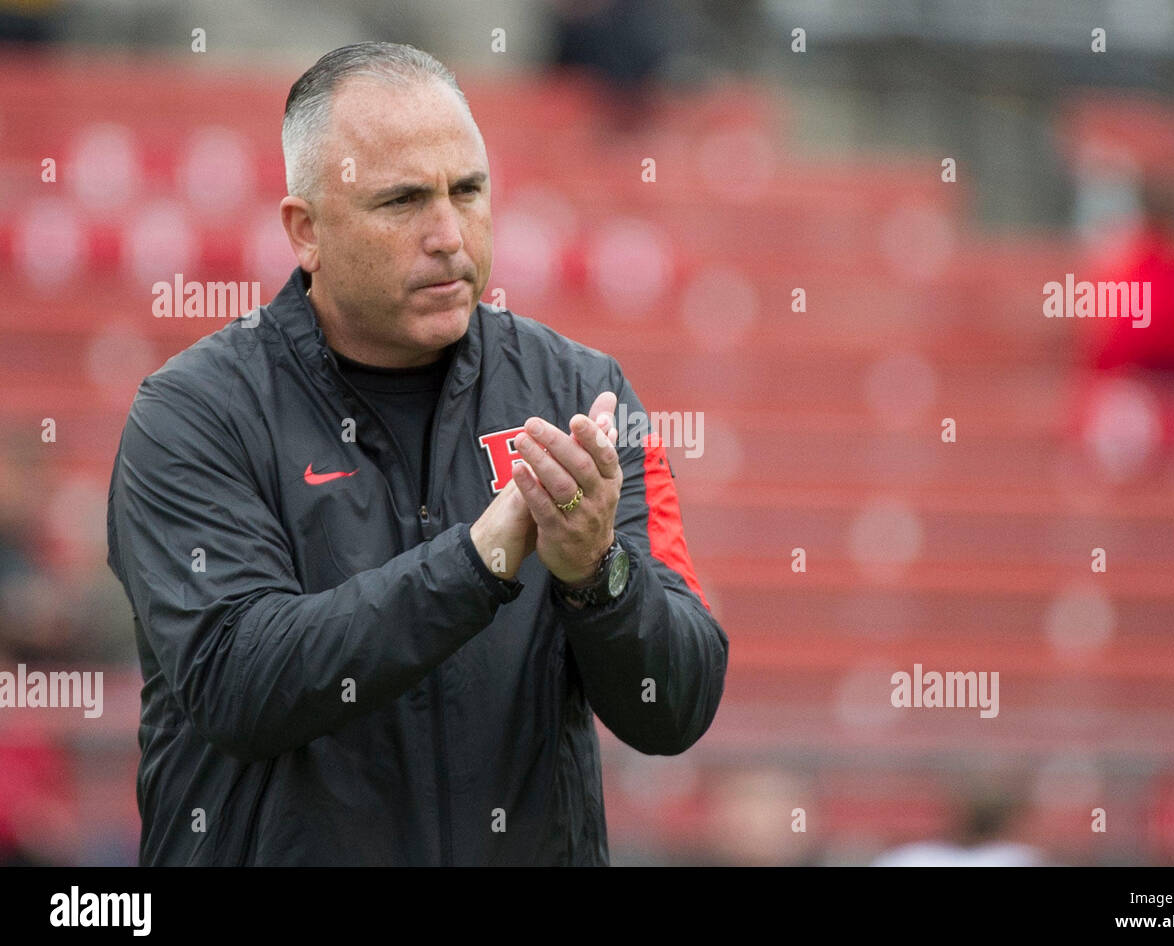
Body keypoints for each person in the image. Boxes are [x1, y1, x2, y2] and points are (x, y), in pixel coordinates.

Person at [105, 41, 728, 865]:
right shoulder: (192, 414)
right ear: (306, 231)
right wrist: (479, 561)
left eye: (468, 190)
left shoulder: (582, 391)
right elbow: (237, 684)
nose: (447, 235)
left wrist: (598, 576)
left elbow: (675, 708)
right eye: (401, 201)